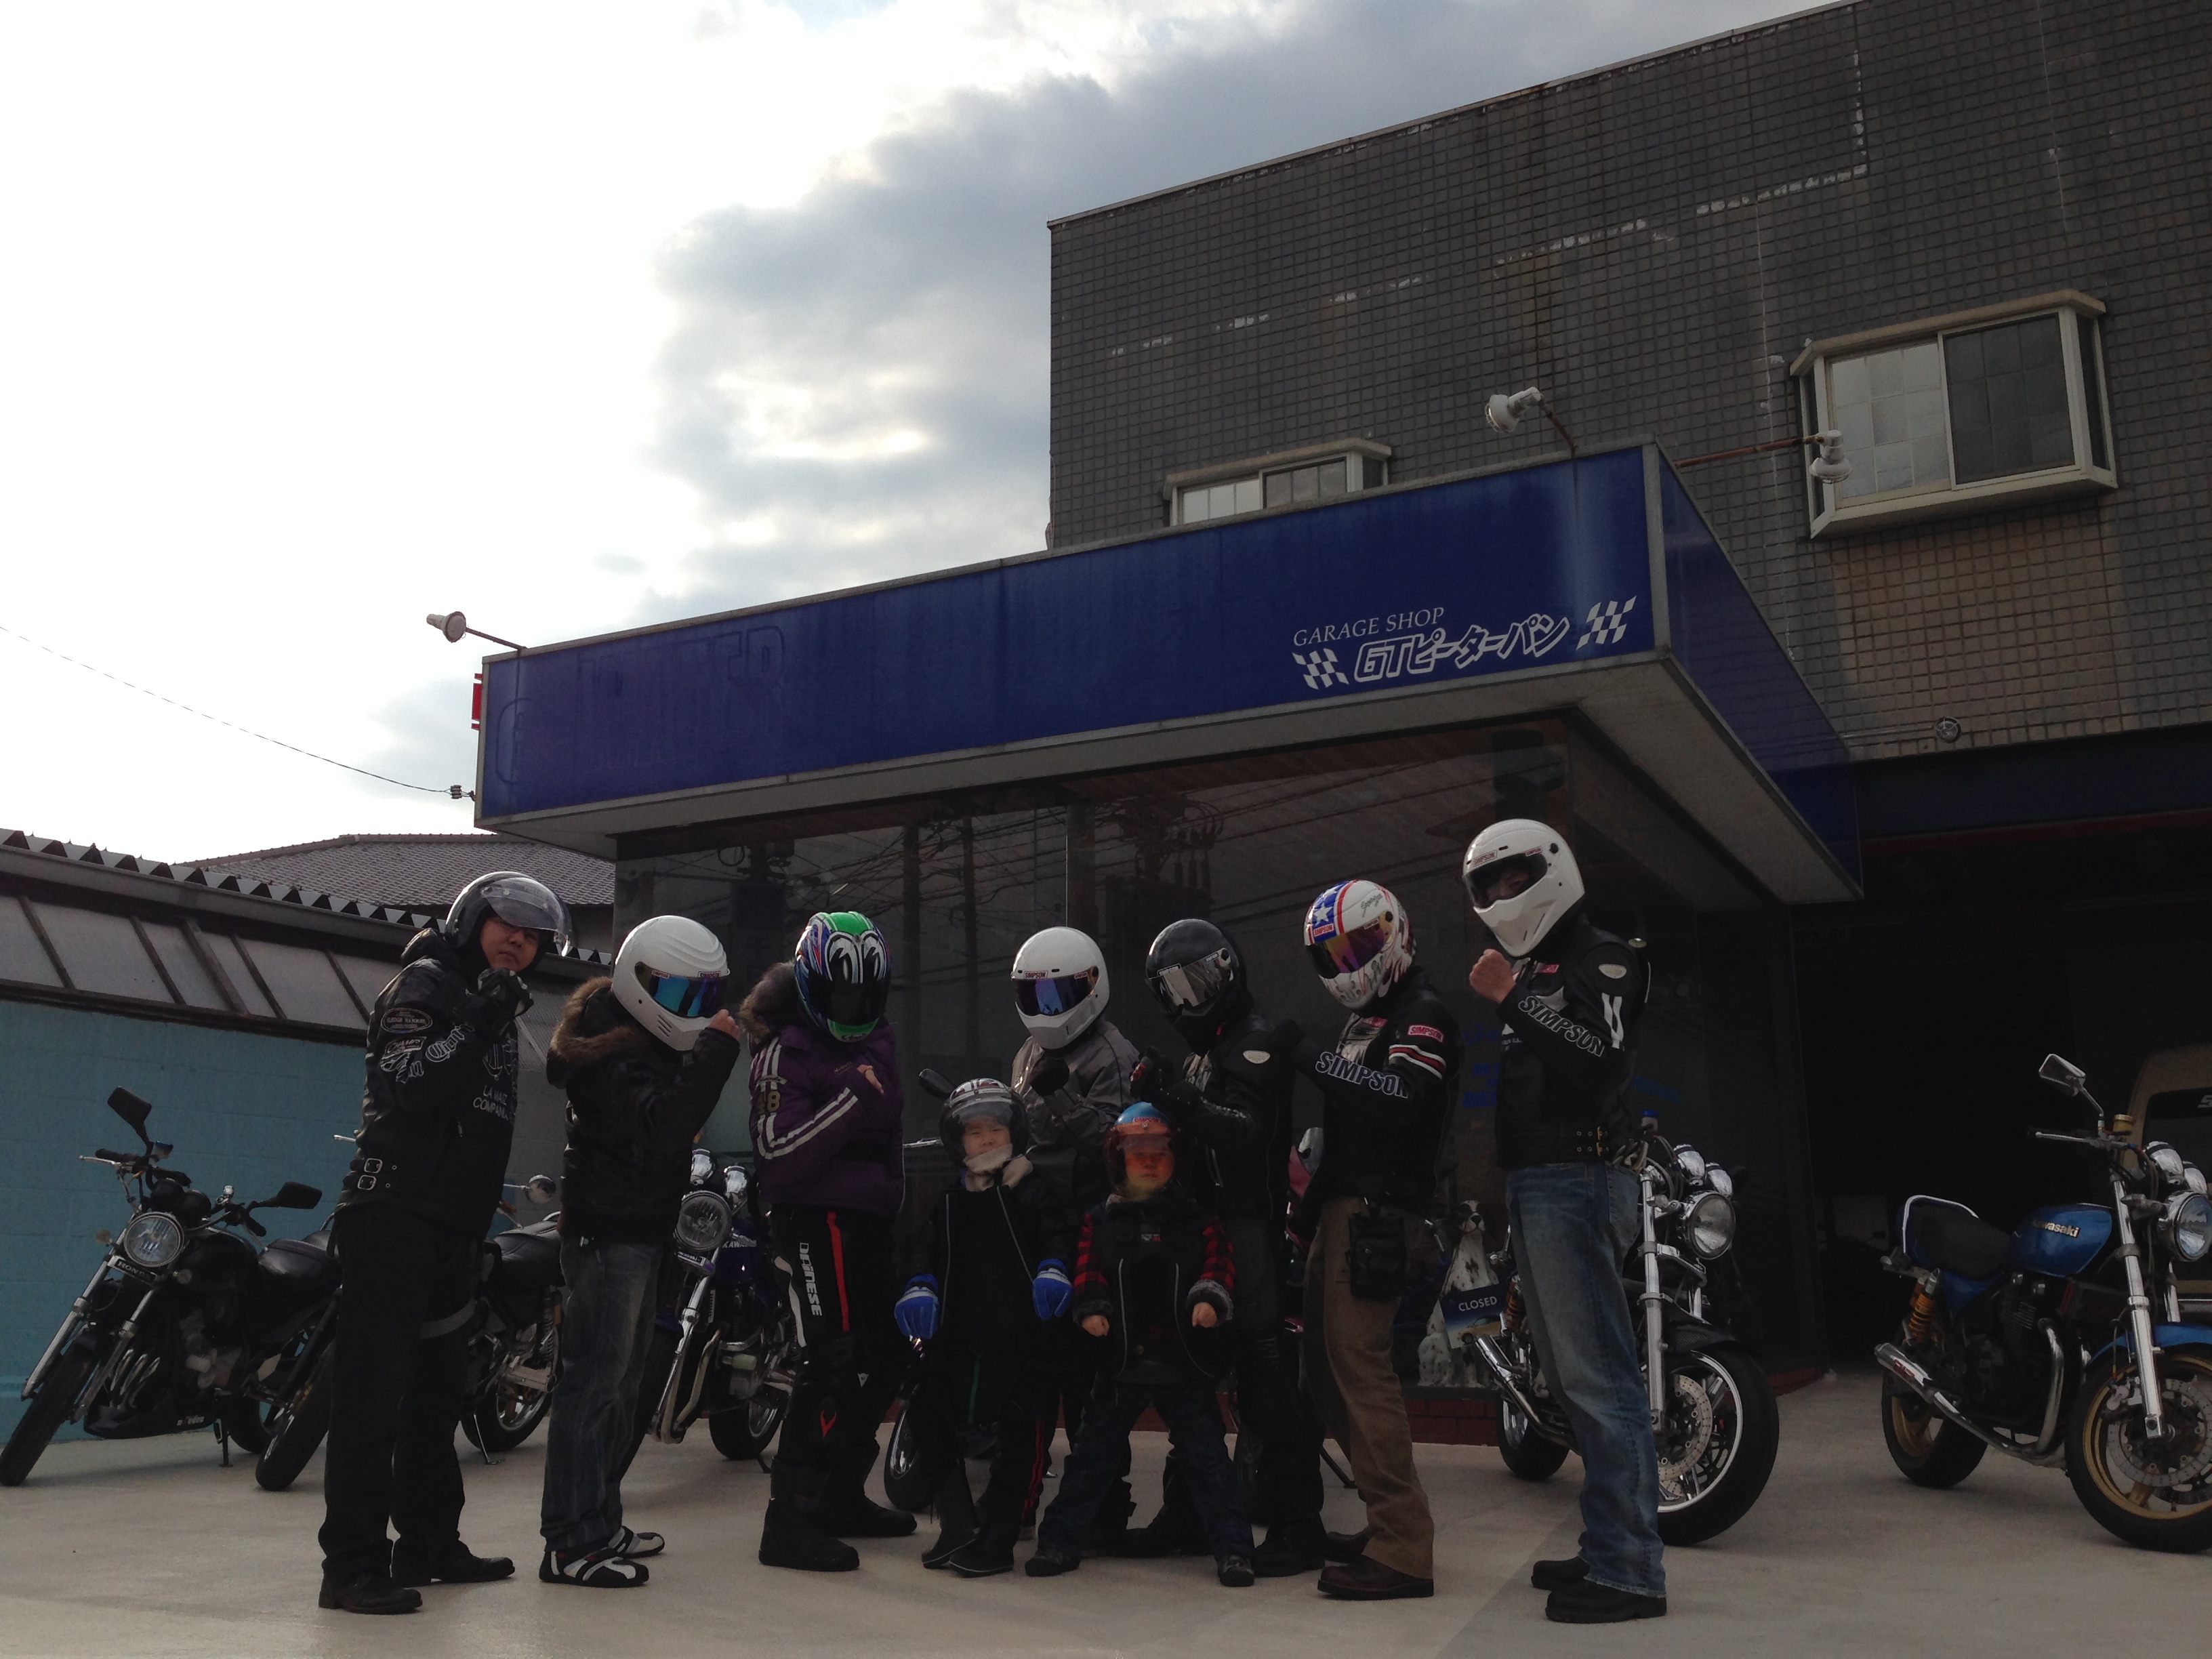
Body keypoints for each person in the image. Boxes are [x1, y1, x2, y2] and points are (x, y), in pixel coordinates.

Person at [317, 872, 570, 1616]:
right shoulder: (426, 984)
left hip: (453, 1227)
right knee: (372, 1400)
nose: (518, 941)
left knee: (438, 1395)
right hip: (393, 1215)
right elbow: (412, 1085)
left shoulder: (498, 1003)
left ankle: (429, 1543)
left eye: (532, 936)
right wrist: (480, 1018)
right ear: (471, 921)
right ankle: (351, 1568)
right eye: (505, 925)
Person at [1462, 819, 1664, 1624]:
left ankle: (1630, 1570)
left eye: (1513, 879)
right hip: (1542, 1183)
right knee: (1571, 1380)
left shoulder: (1601, 955)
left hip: (1579, 1178)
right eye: (1489, 886)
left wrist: (1511, 1000)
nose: (1502, 896)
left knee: (1599, 1377)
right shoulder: (1538, 965)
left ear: (1549, 871)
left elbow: (1598, 1062)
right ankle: (1607, 1539)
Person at [537, 916, 744, 1588]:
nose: (692, 1010)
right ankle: (570, 1542)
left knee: (623, 1386)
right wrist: (715, 1052)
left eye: (702, 995)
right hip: (609, 1234)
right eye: (680, 994)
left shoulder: (633, 1038)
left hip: (639, 1229)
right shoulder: (610, 1053)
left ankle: (599, 1523)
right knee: (593, 1386)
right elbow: (664, 1126)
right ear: (638, 984)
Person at [1128, 919, 1326, 1576]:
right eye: (1176, 990)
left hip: (1249, 1230)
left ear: (1228, 971)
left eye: (1199, 982)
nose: (1191, 1000)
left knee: (1265, 1382)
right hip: (1205, 1228)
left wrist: (1173, 1096)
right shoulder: (1208, 1052)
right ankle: (1187, 1514)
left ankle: (1298, 1526)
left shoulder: (1257, 1041)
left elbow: (1244, 1132)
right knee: (1192, 1378)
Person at [1286, 878, 1458, 1602]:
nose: (1347, 965)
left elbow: (1401, 1102)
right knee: (1324, 1374)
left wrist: (1307, 1057)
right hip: (1342, 1211)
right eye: (1332, 955)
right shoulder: (1366, 1022)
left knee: (1363, 1372)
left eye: (1358, 946)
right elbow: (1347, 1132)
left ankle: (1403, 1548)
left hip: (1383, 1217)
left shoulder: (1425, 1013)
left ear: (1394, 932)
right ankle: (1389, 1522)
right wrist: (1307, 1213)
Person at [741, 910, 913, 1572]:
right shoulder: (783, 1049)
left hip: (870, 1219)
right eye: (842, 996)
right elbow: (777, 1156)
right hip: (815, 1221)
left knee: (886, 1356)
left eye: (865, 997)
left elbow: (887, 1125)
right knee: (832, 1359)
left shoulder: (880, 1042)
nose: (854, 1010)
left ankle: (840, 1495)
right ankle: (789, 1523)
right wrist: (848, 1104)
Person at [1025, 1105, 1255, 1586]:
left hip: (1184, 1368)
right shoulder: (1101, 1220)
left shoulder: (1199, 1221)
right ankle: (1059, 1542)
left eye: (1160, 1154)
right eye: (1137, 1155)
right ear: (1119, 1161)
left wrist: (1211, 1298)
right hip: (1120, 1366)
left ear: (1178, 1161)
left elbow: (1219, 1265)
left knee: (1210, 1464)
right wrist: (1091, 1307)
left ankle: (1235, 1550)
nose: (1149, 1162)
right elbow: (1087, 1269)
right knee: (1091, 1461)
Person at [891, 1078, 1073, 1577]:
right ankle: (958, 1523)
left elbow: (1060, 1235)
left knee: (1023, 1438)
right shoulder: (951, 1199)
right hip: (962, 1343)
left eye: (996, 1129)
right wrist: (920, 1284)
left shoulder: (1034, 1189)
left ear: (1015, 1132)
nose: (987, 1139)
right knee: (927, 1411)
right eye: (975, 1132)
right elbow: (922, 1247)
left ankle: (999, 1538)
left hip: (1025, 1345)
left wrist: (1056, 1268)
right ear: (958, 1142)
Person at [1006, 925, 1141, 1540]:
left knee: (1091, 1371)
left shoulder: (1112, 1054)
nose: (1047, 1010)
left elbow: (1115, 1149)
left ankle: (1105, 1503)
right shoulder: (1029, 1053)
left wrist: (1063, 1099)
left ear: (1090, 988)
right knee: (1045, 1364)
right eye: (1035, 997)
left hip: (1092, 1228)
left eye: (1059, 995)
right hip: (1038, 1220)